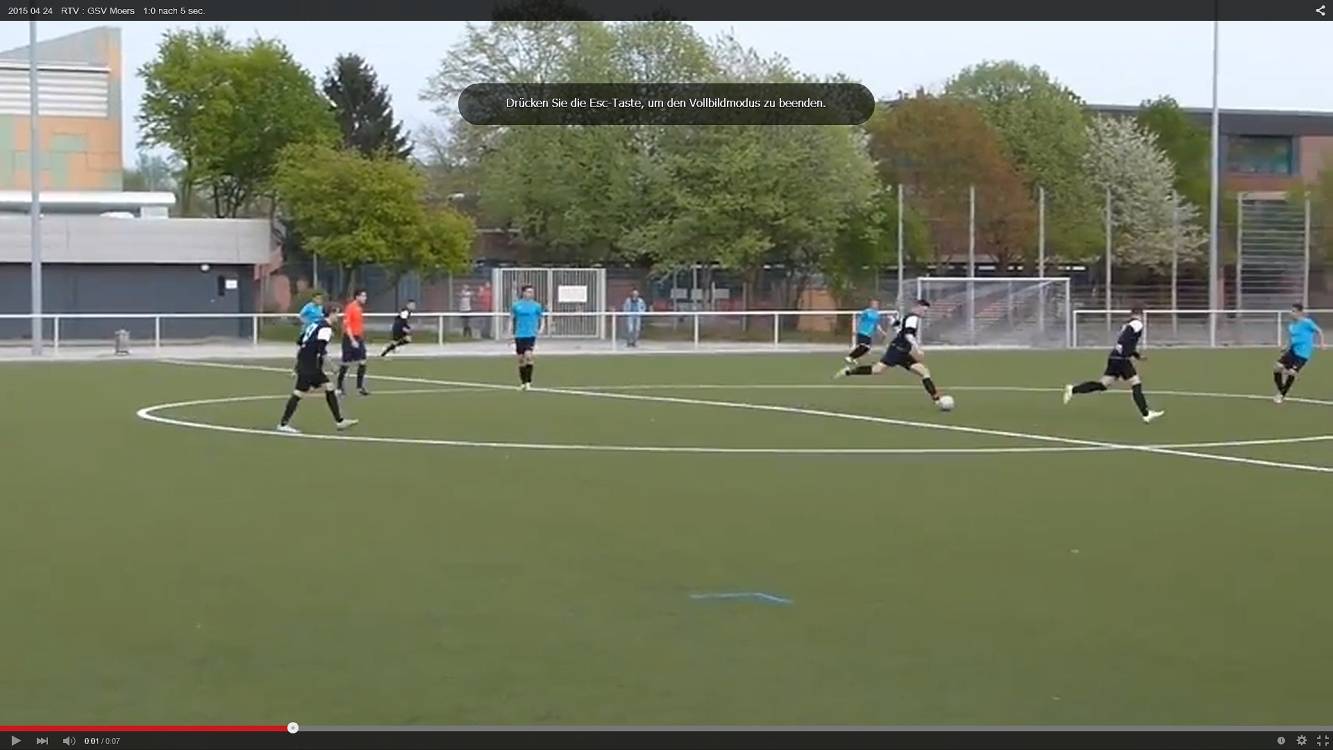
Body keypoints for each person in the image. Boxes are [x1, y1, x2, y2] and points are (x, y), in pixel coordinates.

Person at [1063, 304, 1165, 423]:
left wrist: (1136, 355)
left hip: (1114, 356)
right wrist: (1130, 354)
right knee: (1136, 383)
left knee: (1103, 385)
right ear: (1140, 314)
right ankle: (1146, 414)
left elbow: (1126, 342)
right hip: (1121, 359)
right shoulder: (1137, 324)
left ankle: (1073, 389)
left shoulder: (1127, 324)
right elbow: (1125, 341)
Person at [836, 299, 944, 405]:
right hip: (897, 350)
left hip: (902, 351)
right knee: (877, 370)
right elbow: (908, 334)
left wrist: (893, 322)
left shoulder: (908, 316)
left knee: (924, 372)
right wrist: (918, 348)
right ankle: (848, 371)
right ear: (918, 307)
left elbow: (899, 329)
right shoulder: (913, 318)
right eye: (924, 310)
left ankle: (937, 399)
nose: (925, 313)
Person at [277, 305, 358, 434]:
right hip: (310, 364)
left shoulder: (315, 324)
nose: (338, 316)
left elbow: (300, 341)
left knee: (329, 387)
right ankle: (283, 424)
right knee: (299, 393)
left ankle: (340, 421)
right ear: (331, 313)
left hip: (308, 362)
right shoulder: (325, 328)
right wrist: (332, 365)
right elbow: (321, 349)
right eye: (336, 313)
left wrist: (298, 363)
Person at [1273, 302, 1325, 403]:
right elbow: (1291, 339)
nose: (1291, 313)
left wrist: (1322, 344)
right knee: (1277, 367)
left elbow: (1319, 331)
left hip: (1303, 354)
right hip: (1292, 351)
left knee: (1291, 372)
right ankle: (1281, 390)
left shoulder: (1307, 322)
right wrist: (1286, 347)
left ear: (1300, 313)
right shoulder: (1291, 325)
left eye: (1294, 311)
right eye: (1291, 311)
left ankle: (1281, 394)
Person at [509, 285, 546, 391]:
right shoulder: (517, 305)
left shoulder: (536, 306)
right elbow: (511, 319)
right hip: (519, 334)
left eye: (532, 292)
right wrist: (509, 332)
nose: (531, 294)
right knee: (521, 359)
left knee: (528, 356)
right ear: (523, 293)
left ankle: (529, 382)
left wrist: (541, 329)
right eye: (528, 292)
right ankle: (523, 382)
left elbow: (542, 318)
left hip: (530, 335)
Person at [337, 288, 371, 397]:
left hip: (358, 338)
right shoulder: (350, 307)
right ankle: (339, 387)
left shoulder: (359, 309)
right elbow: (347, 325)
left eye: (365, 296)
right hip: (349, 339)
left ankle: (359, 387)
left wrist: (360, 338)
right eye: (363, 296)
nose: (365, 298)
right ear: (357, 297)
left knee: (362, 361)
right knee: (346, 363)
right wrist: (352, 340)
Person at [845, 298, 895, 364]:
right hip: (862, 331)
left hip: (869, 333)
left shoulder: (877, 314)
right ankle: (850, 357)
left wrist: (882, 332)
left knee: (866, 348)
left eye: (877, 304)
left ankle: (853, 357)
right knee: (863, 346)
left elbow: (876, 325)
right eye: (874, 304)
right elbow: (859, 319)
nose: (876, 305)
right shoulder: (867, 312)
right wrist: (856, 329)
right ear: (871, 304)